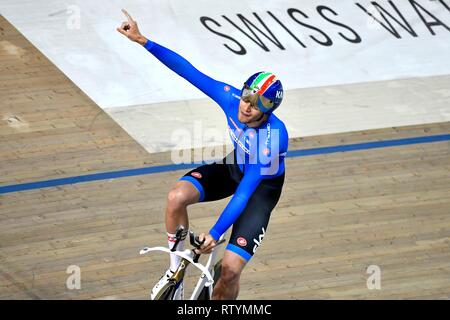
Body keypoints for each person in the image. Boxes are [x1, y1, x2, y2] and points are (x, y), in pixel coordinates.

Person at [117, 9, 288, 300]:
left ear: (268, 111)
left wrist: (214, 232)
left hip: (260, 190)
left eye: (256, 104)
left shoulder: (272, 140)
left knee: (231, 271)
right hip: (234, 167)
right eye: (246, 96)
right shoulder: (231, 98)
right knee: (176, 197)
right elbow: (190, 72)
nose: (246, 107)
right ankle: (175, 275)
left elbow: (244, 194)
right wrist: (143, 41)